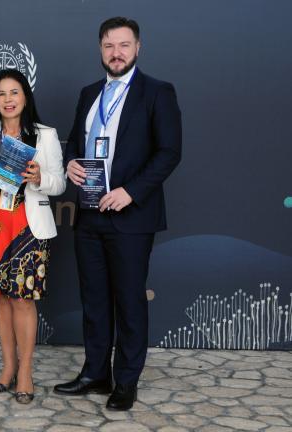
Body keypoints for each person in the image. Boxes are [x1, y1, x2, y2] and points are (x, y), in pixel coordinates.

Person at [54, 17, 182, 410]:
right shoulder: (89, 93)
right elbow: (76, 140)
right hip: (90, 213)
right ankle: (96, 372)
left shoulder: (157, 92)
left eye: (124, 45)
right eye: (109, 45)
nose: (116, 52)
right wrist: (71, 161)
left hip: (131, 216)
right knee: (94, 299)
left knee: (128, 300)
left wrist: (131, 192)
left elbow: (169, 152)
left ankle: (126, 381)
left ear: (138, 48)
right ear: (100, 50)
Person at [0, 69, 65, 404]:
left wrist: (39, 177)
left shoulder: (44, 136)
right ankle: (7, 369)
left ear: (26, 97)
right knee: (1, 299)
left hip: (29, 228)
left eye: (14, 92)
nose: (8, 99)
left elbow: (60, 183)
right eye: (1, 94)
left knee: (22, 299)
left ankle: (27, 372)